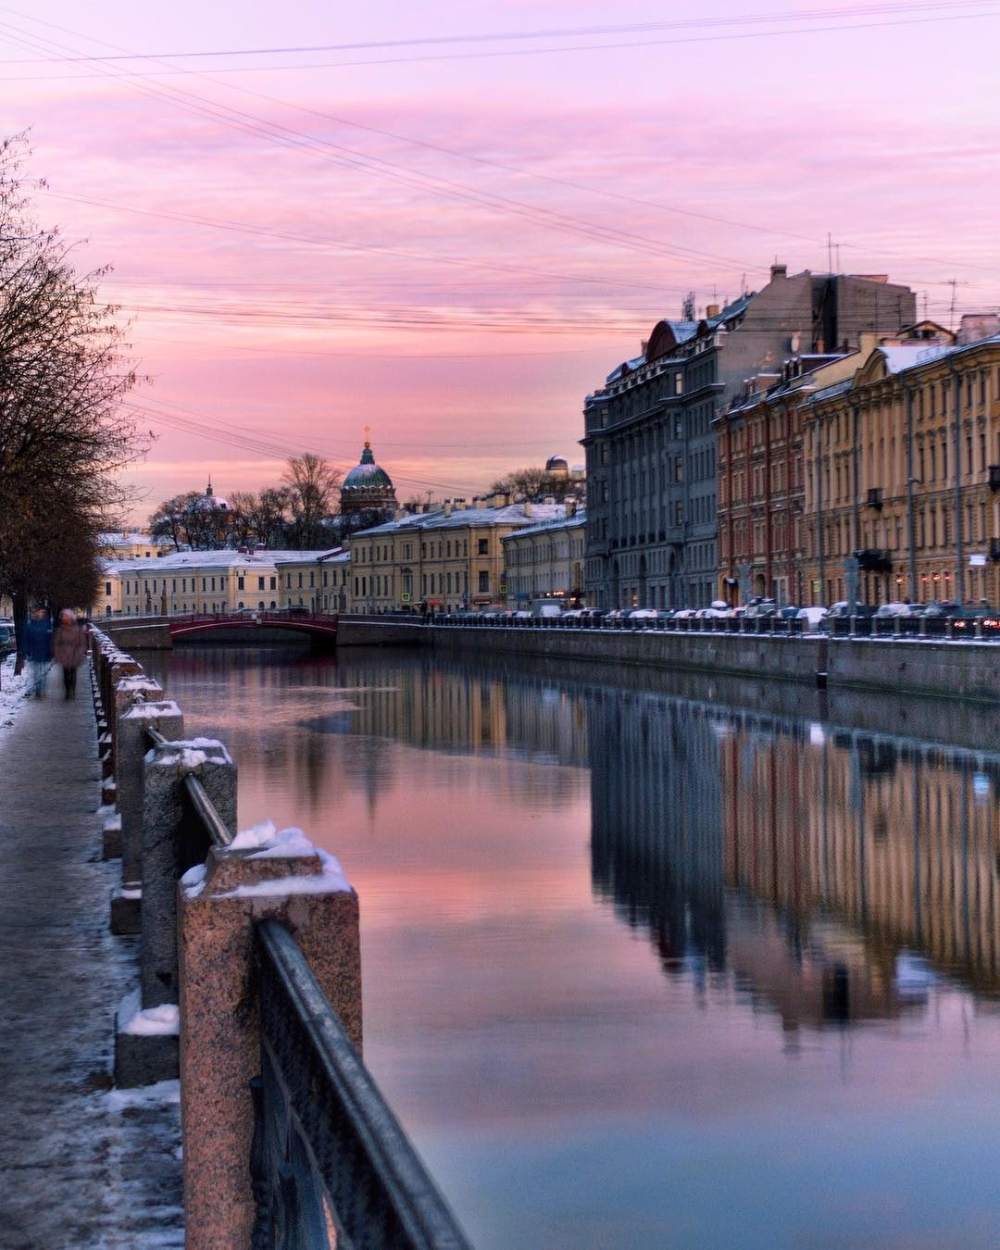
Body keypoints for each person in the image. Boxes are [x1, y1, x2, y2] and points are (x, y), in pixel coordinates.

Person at [53, 609, 88, 699]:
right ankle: (67, 692)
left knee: (73, 673)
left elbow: (82, 643)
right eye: (63, 616)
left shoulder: (77, 629)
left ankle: (72, 691)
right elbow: (57, 643)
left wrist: (79, 653)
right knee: (65, 675)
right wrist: (58, 654)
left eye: (65, 616)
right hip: (64, 655)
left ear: (70, 618)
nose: (64, 618)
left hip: (74, 655)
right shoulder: (61, 630)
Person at [23, 606, 53, 698]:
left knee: (43, 673)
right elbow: (26, 639)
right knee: (36, 673)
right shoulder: (29, 625)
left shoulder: (47, 624)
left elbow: (50, 639)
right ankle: (38, 691)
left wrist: (51, 651)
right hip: (34, 653)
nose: (36, 614)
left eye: (38, 612)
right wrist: (26, 650)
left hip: (44, 652)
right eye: (34, 612)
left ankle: (41, 691)